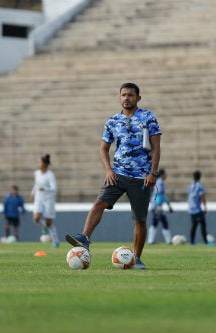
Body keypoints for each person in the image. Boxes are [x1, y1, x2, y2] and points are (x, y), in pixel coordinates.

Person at [65, 82, 162, 269]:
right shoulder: (112, 121)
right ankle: (84, 238)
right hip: (117, 174)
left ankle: (137, 258)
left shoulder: (148, 117)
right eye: (124, 95)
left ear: (138, 98)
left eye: (131, 95)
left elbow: (156, 146)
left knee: (140, 219)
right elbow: (103, 148)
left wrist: (153, 172)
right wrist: (108, 170)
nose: (127, 98)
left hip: (141, 177)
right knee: (99, 203)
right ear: (120, 98)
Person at [31, 154, 59, 248]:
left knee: (48, 222)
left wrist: (45, 189)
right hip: (39, 198)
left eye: (40, 162)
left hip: (48, 200)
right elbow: (36, 185)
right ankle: (44, 229)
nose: (38, 164)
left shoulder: (50, 175)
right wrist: (33, 192)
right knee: (36, 218)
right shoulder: (37, 173)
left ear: (45, 164)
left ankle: (55, 241)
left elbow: (54, 188)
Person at [147, 169, 173, 245]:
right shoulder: (160, 182)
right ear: (162, 175)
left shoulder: (159, 182)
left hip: (155, 205)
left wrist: (168, 204)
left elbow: (162, 196)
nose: (166, 176)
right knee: (163, 222)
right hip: (157, 206)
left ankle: (151, 240)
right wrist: (158, 206)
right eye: (165, 174)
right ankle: (168, 240)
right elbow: (159, 194)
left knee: (155, 222)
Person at [188, 170, 211, 245]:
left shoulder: (190, 186)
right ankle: (206, 242)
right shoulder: (200, 186)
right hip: (197, 209)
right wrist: (205, 207)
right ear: (200, 177)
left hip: (191, 209)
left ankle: (192, 241)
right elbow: (202, 196)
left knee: (194, 225)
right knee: (203, 224)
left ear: (193, 177)